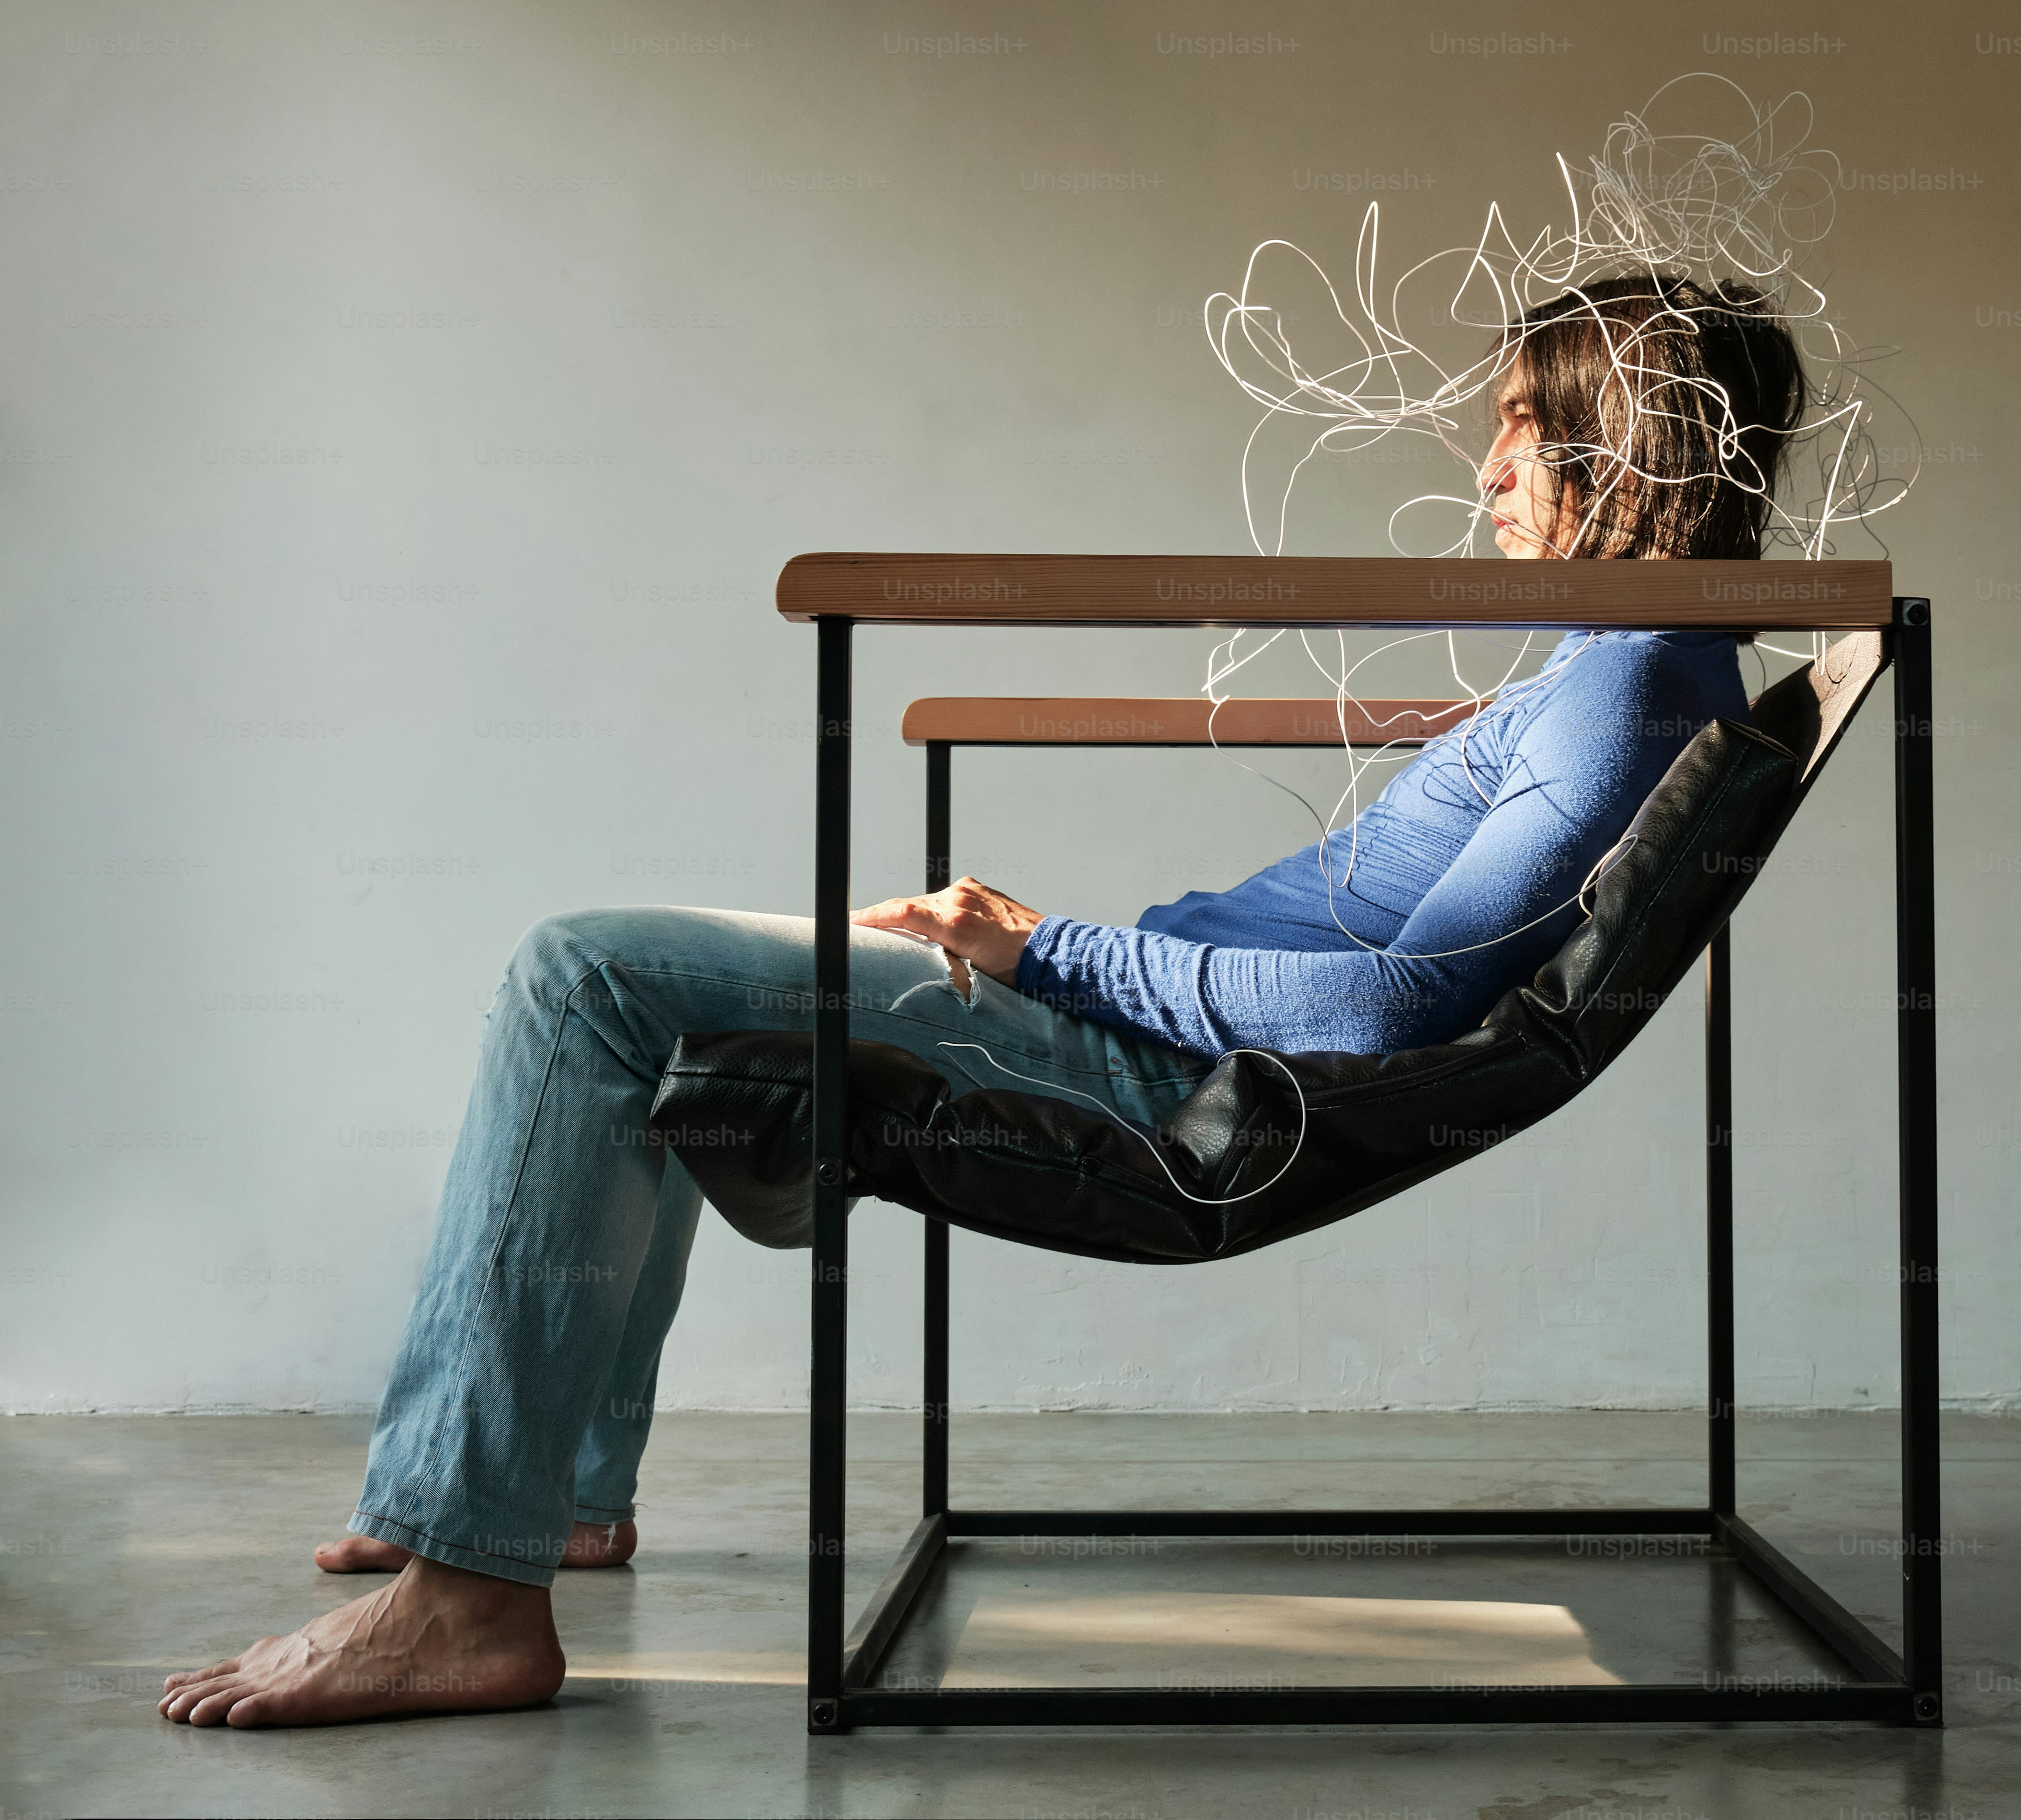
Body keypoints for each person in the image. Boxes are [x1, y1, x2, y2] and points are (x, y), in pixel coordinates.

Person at [156, 276, 1808, 1726]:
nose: (1489, 469)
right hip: (1120, 1021)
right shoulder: (1610, 663)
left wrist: (1046, 945)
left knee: (579, 976)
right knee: (629, 999)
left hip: (1144, 1075)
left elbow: (1378, 1018)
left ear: (1631, 453)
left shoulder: (1628, 681)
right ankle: (549, 1493)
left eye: (1527, 432)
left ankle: (469, 1596)